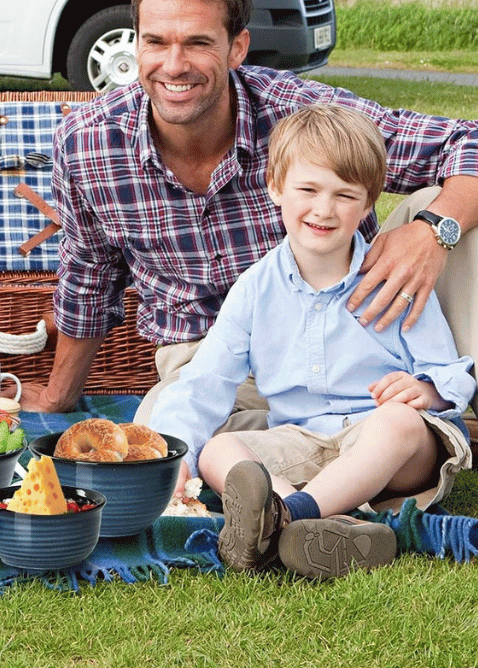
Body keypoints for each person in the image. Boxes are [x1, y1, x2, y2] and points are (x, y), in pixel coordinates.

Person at [20, 0, 478, 415]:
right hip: (203, 357)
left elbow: (468, 142)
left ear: (237, 48)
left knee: (457, 213)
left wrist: (433, 231)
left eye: (198, 43)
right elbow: (89, 280)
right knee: (166, 438)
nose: (174, 65)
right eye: (156, 42)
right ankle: (325, 455)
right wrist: (60, 397)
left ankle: (445, 398)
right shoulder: (86, 143)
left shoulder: (301, 113)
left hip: (348, 338)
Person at [148, 104, 475, 579]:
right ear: (276, 188)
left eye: (345, 196)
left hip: (389, 454)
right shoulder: (255, 290)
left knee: (399, 423)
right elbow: (205, 382)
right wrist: (170, 448)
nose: (324, 209)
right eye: (308, 190)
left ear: (369, 204)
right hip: (302, 440)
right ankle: (323, 528)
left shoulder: (391, 280)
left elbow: (448, 368)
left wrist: (428, 390)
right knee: (218, 450)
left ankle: (286, 517)